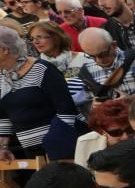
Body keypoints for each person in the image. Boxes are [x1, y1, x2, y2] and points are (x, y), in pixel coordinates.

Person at [0, 25, 79, 160]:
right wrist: (3, 147)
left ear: (3, 50)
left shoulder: (42, 69)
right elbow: (4, 116)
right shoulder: (2, 76)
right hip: (28, 150)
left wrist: (55, 143)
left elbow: (67, 110)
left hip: (61, 146)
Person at [77, 27, 135, 101]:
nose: (99, 60)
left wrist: (133, 99)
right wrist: (93, 106)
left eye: (103, 54)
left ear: (114, 45)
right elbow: (88, 101)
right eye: (91, 56)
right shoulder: (86, 72)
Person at [74, 98, 135, 166]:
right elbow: (82, 174)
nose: (125, 137)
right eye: (116, 132)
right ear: (101, 131)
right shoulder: (85, 141)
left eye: (129, 130)